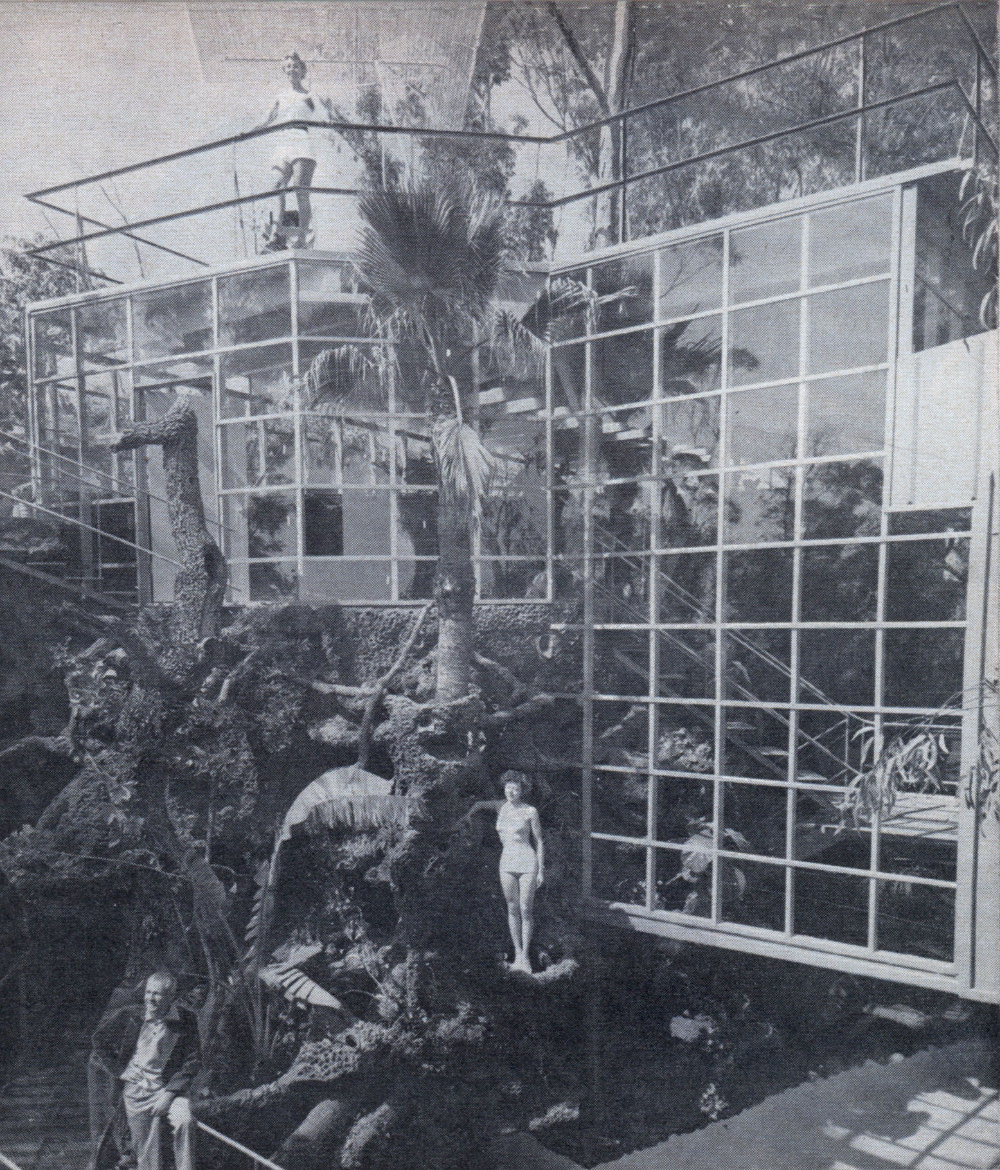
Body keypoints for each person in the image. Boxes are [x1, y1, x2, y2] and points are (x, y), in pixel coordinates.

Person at [90, 970, 201, 1170]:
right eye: (149, 993)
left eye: (157, 994)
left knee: (185, 1121)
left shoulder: (185, 1020)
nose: (151, 998)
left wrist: (168, 1095)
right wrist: (120, 1071)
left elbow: (192, 1061)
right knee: (148, 1152)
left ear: (170, 997)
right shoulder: (130, 1015)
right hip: (137, 1089)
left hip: (168, 1088)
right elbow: (99, 1040)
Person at [256, 51, 333, 250]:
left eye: (296, 66)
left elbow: (325, 111)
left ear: (302, 70)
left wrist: (329, 118)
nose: (292, 69)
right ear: (284, 70)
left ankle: (301, 237)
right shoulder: (281, 96)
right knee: (276, 185)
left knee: (300, 190)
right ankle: (276, 233)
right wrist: (247, 131)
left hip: (302, 140)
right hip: (284, 141)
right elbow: (268, 118)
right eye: (288, 66)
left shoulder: (309, 94)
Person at [496, 771, 544, 973]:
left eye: (516, 788)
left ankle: (526, 957)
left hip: (526, 862)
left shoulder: (530, 811)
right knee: (512, 908)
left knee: (526, 909)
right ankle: (517, 954)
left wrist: (541, 870)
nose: (511, 791)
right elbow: (479, 804)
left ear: (522, 790)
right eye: (508, 787)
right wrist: (468, 813)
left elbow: (539, 841)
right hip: (507, 861)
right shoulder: (501, 807)